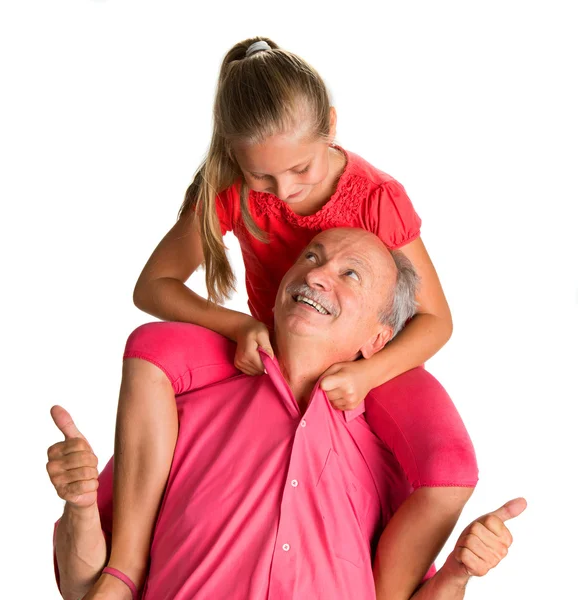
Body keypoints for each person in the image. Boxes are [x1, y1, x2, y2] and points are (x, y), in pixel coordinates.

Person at [99, 35, 461, 598]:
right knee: (152, 347)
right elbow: (154, 286)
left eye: (299, 169)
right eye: (263, 177)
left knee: (450, 466)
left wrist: (367, 374)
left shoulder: (375, 198)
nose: (284, 191)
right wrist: (238, 326)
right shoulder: (231, 190)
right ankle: (124, 569)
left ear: (332, 126)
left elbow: (437, 320)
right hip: (272, 347)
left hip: (364, 355)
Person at [49, 229, 493, 600]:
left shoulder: (387, 464)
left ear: (378, 339)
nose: (316, 274)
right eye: (311, 257)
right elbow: (82, 586)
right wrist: (81, 507)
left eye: (350, 274)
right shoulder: (176, 415)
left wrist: (457, 572)